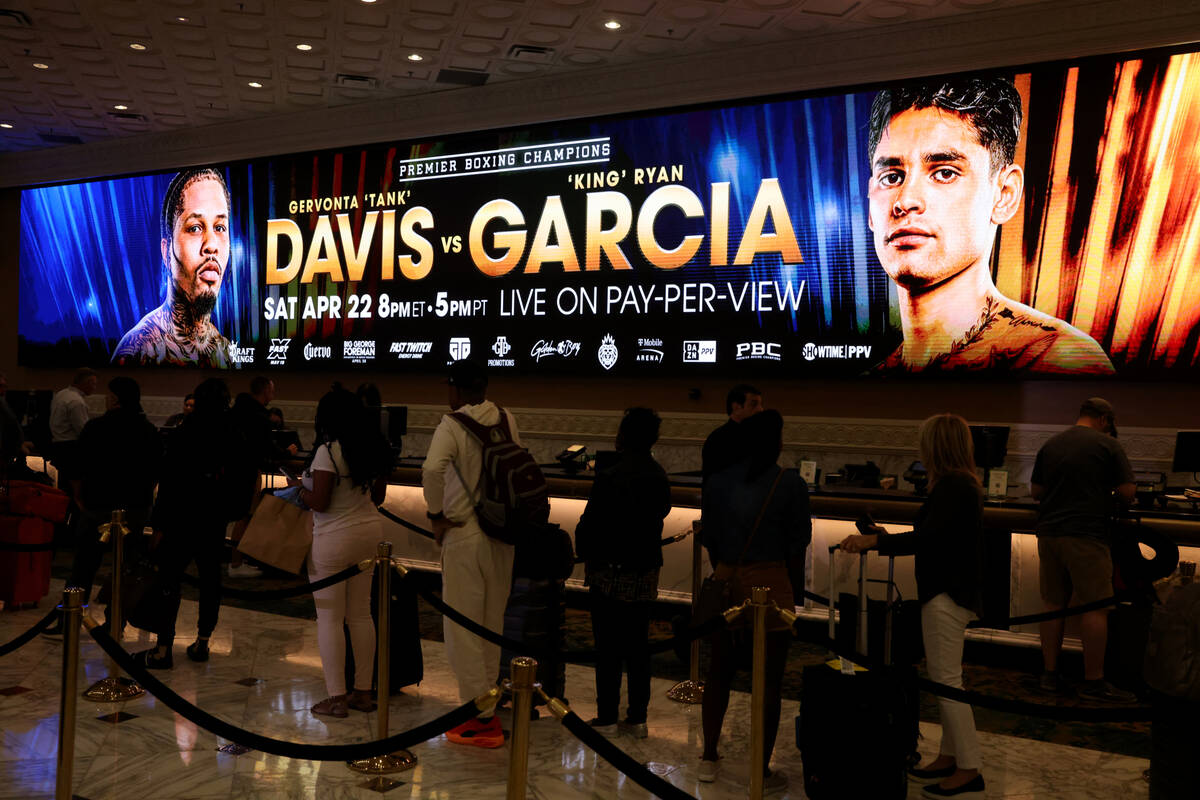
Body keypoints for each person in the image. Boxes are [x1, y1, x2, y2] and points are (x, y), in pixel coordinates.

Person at [866, 77, 1113, 375]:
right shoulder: (873, 379)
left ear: (1004, 195)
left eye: (944, 173)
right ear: (870, 206)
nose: (905, 200)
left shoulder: (1060, 360)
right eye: (891, 177)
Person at [841, 413, 986, 799]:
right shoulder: (959, 485)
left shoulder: (955, 486)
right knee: (945, 676)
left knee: (947, 681)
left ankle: (970, 767)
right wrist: (884, 539)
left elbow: (930, 539)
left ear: (936, 446)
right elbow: (933, 536)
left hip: (947, 592)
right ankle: (950, 754)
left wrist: (876, 543)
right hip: (948, 590)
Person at [699, 409, 810, 790]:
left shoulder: (717, 481)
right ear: (777, 442)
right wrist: (793, 592)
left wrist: (727, 570)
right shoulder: (789, 483)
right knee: (769, 682)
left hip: (726, 580)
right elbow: (797, 546)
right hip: (771, 585)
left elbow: (709, 537)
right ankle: (759, 770)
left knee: (719, 674)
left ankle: (709, 757)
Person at [421, 359, 520, 748]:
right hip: (501, 536)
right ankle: (488, 705)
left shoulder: (452, 424)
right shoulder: (507, 417)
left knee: (463, 630)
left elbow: (431, 470)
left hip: (464, 535)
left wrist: (435, 515)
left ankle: (478, 718)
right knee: (491, 625)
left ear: (454, 390)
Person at [290, 387, 390, 718]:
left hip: (332, 539)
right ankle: (363, 692)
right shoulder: (373, 449)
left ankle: (336, 698)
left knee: (330, 619)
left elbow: (320, 501)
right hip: (369, 535)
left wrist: (299, 493)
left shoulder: (327, 452)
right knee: (361, 614)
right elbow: (378, 497)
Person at [1030, 397, 1137, 703]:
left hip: (1049, 534)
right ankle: (1094, 681)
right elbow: (1128, 491)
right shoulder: (1108, 445)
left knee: (1052, 603)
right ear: (1104, 419)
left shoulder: (1052, 444)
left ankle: (1049, 675)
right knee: (1095, 607)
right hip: (1087, 535)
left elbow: (1036, 491)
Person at [575, 407, 671, 739]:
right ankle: (638, 717)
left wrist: (583, 553)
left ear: (623, 435)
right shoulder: (659, 475)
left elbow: (588, 526)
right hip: (644, 569)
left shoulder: (610, 475)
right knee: (638, 645)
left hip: (609, 571)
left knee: (607, 646)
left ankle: (607, 716)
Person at [136, 378, 244, 668]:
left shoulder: (185, 432)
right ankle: (203, 642)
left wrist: (157, 525)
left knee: (169, 581)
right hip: (213, 518)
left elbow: (169, 482)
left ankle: (162, 647)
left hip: (180, 517)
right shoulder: (231, 432)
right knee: (211, 581)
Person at [113, 167, 234, 368]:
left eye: (220, 228)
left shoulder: (227, 352)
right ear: (166, 251)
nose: (211, 245)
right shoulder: (138, 350)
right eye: (195, 228)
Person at [68, 377, 162, 603]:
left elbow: (78, 466)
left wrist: (80, 498)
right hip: (135, 508)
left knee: (84, 565)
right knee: (127, 566)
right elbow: (156, 471)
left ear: (116, 399)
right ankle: (116, 621)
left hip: (97, 506)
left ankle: (69, 617)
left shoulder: (96, 427)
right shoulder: (148, 430)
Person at [228, 376, 298, 576]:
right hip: (248, 472)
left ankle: (232, 560)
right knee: (244, 516)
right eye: (272, 390)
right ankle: (235, 563)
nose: (273, 395)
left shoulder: (235, 411)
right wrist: (288, 453)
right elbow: (268, 449)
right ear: (265, 391)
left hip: (229, 471)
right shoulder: (259, 417)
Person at [701, 383, 763, 483]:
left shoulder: (754, 436)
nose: (760, 409)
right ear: (736, 408)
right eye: (754, 404)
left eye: (760, 404)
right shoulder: (719, 439)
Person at [48, 368, 97, 487]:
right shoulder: (76, 402)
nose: (95, 387)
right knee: (74, 488)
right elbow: (83, 431)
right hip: (70, 450)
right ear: (88, 382)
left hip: (57, 446)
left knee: (63, 485)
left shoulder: (61, 394)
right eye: (94, 384)